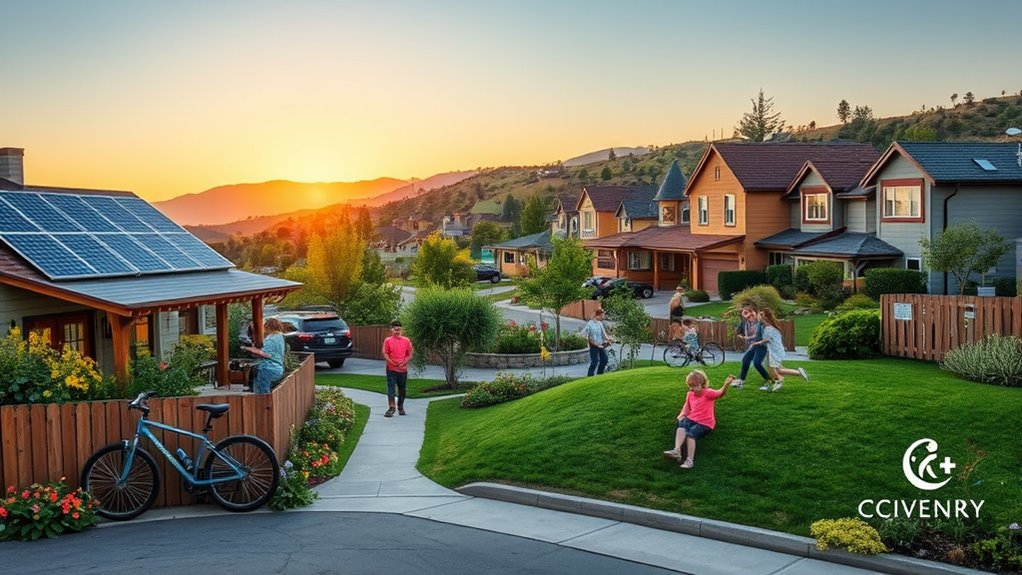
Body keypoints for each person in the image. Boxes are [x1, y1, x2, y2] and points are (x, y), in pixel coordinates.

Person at [663, 370, 734, 469]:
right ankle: (677, 451)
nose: (693, 389)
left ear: (702, 383)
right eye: (690, 386)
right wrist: (681, 416)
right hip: (692, 418)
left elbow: (720, 393)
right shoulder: (690, 394)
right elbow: (687, 407)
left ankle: (689, 461)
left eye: (695, 386)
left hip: (705, 423)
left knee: (691, 434)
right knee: (681, 425)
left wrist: (726, 384)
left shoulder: (708, 393)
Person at [755, 308, 809, 392]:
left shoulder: (768, 328)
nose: (757, 316)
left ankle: (778, 382)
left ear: (764, 316)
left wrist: (756, 343)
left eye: (759, 314)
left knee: (772, 370)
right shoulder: (768, 326)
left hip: (774, 351)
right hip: (776, 350)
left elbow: (766, 340)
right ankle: (798, 372)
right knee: (778, 370)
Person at [240, 318, 286, 394]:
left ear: (269, 326)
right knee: (261, 390)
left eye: (265, 327)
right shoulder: (279, 337)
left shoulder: (272, 339)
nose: (264, 329)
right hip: (276, 367)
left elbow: (266, 354)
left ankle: (264, 405)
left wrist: (247, 348)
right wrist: (253, 349)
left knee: (262, 392)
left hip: (268, 368)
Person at [732, 305, 771, 390]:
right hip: (753, 346)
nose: (749, 316)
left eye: (750, 314)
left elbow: (756, 336)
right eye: (746, 315)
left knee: (757, 363)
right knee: (745, 360)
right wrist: (741, 335)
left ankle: (768, 380)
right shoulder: (746, 324)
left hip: (761, 346)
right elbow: (741, 331)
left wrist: (746, 338)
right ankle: (741, 380)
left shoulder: (760, 322)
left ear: (754, 312)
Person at [382, 319, 414, 417]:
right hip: (391, 369)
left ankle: (400, 407)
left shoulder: (406, 340)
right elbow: (385, 353)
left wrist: (403, 362)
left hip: (402, 369)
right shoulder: (388, 341)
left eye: (399, 330)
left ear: (402, 330)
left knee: (402, 389)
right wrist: (391, 362)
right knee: (391, 388)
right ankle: (391, 408)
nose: (397, 332)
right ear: (391, 330)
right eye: (395, 330)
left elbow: (410, 354)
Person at [584, 308, 613, 376]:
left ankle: (600, 374)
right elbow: (588, 337)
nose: (604, 316)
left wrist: (609, 339)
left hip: (601, 345)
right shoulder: (590, 324)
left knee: (604, 359)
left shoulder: (600, 323)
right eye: (603, 315)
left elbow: (604, 334)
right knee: (595, 361)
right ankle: (590, 376)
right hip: (593, 345)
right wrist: (596, 345)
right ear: (599, 315)